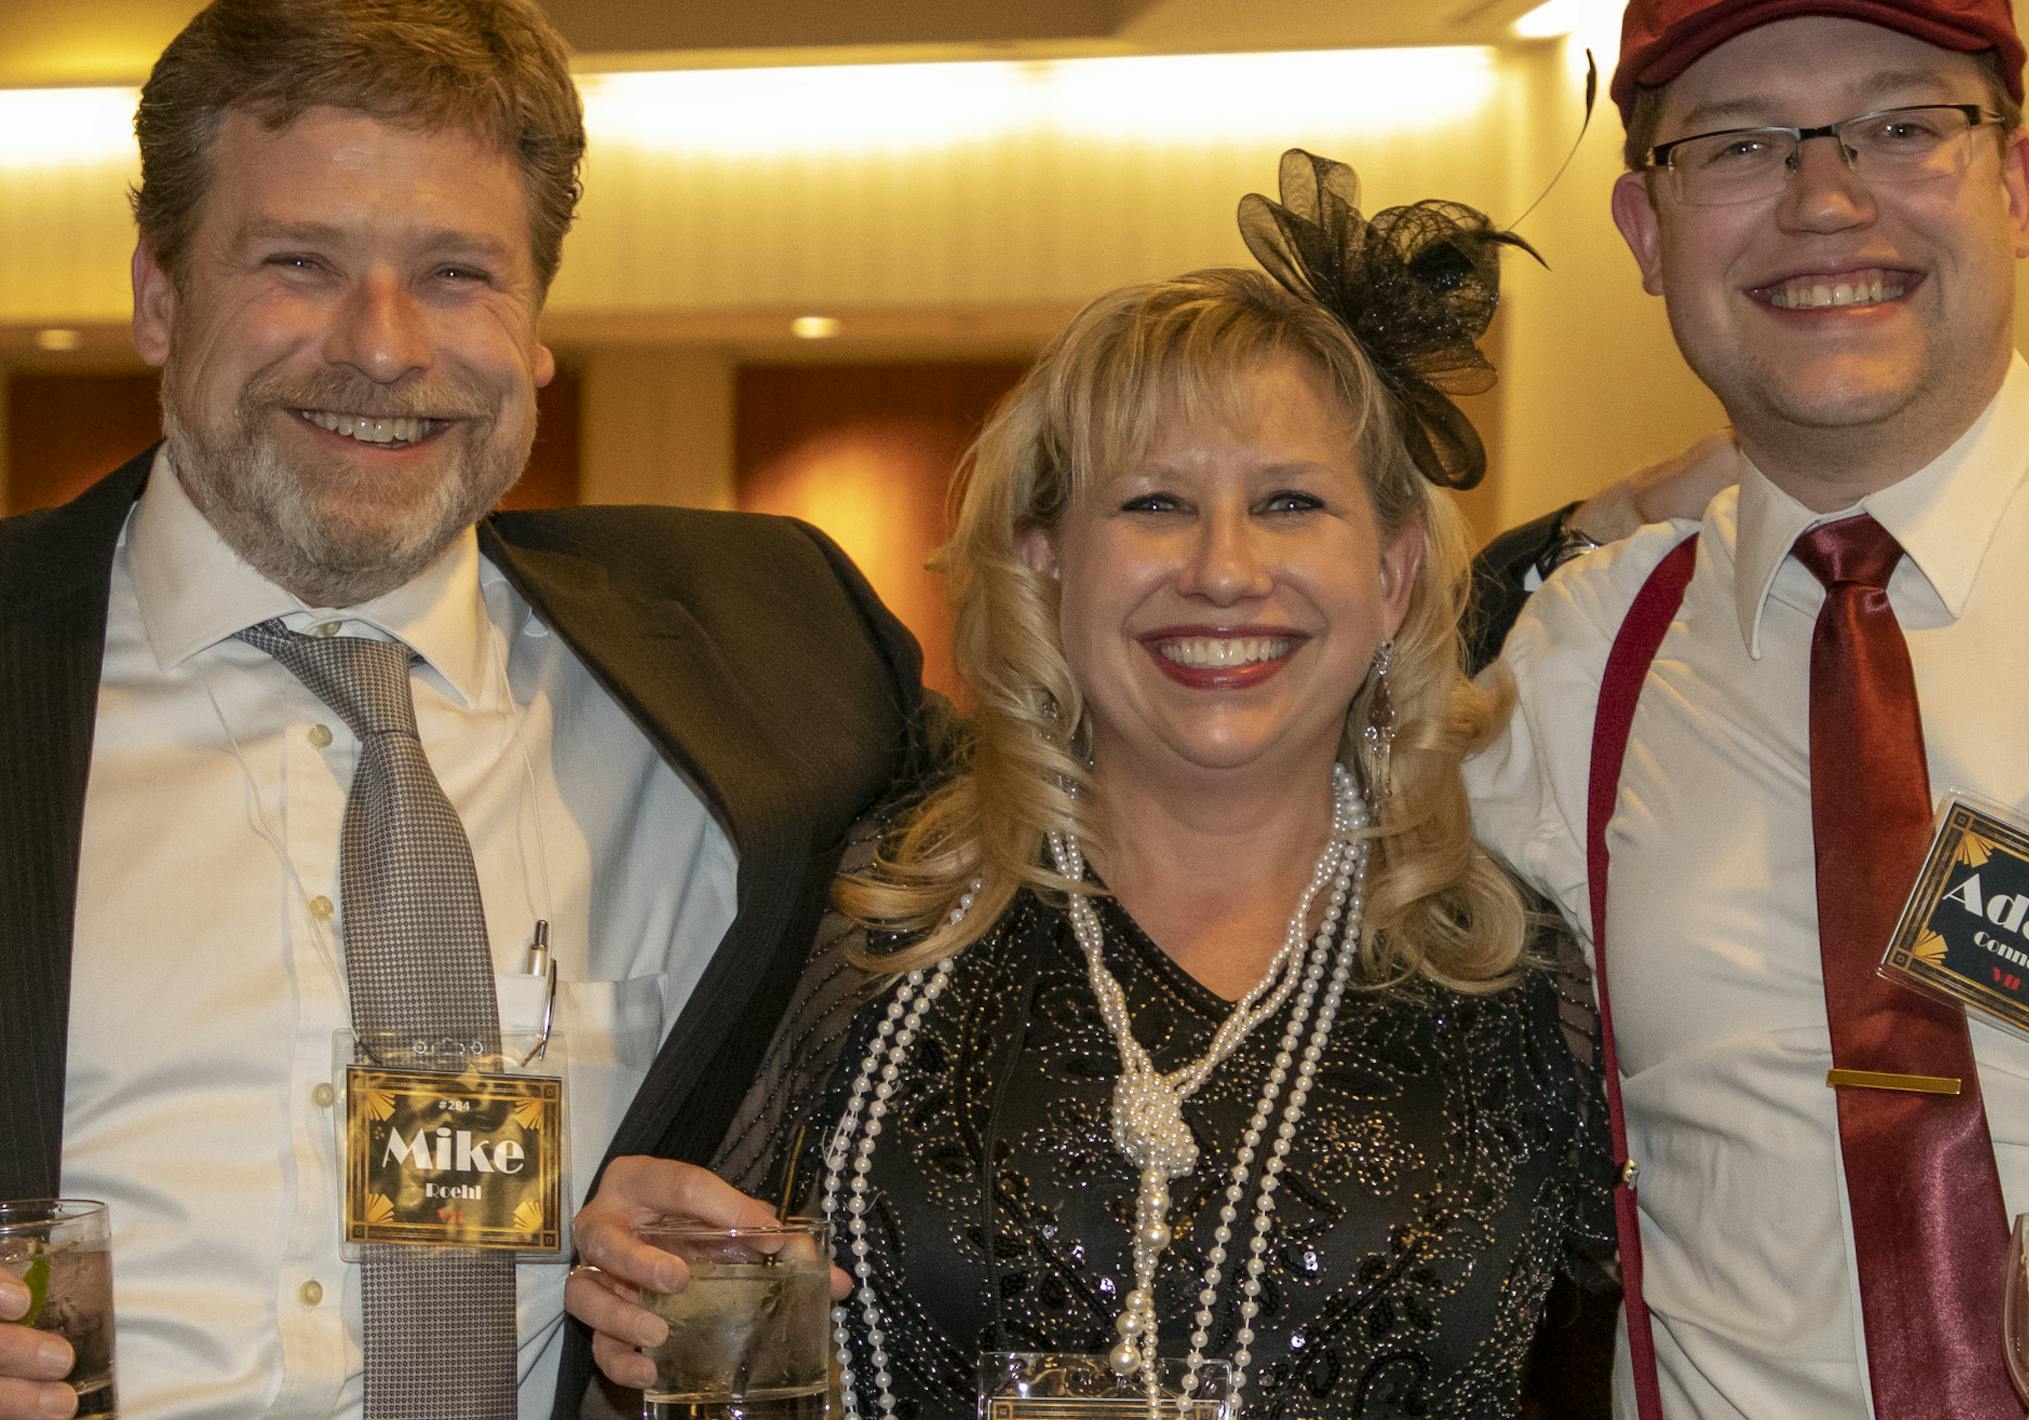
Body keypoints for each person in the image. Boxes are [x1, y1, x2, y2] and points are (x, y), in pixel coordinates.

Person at [0, 0, 927, 1420]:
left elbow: (1116, 821)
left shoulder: (773, 650)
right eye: (298, 262)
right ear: (159, 296)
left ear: (538, 322)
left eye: (456, 274)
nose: (383, 345)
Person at [563, 153, 1617, 1418]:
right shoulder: (879, 922)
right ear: (1046, 558)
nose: (1222, 569)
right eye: (1155, 502)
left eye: (1290, 501)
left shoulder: (1516, 973)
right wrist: (642, 1299)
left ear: (1392, 573)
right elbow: (709, 1343)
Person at [1469, 0, 2029, 1419]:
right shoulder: (1573, 664)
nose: (1826, 200)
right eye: (1738, 146)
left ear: (2018, 184)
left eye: (1903, 127)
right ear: (1646, 231)